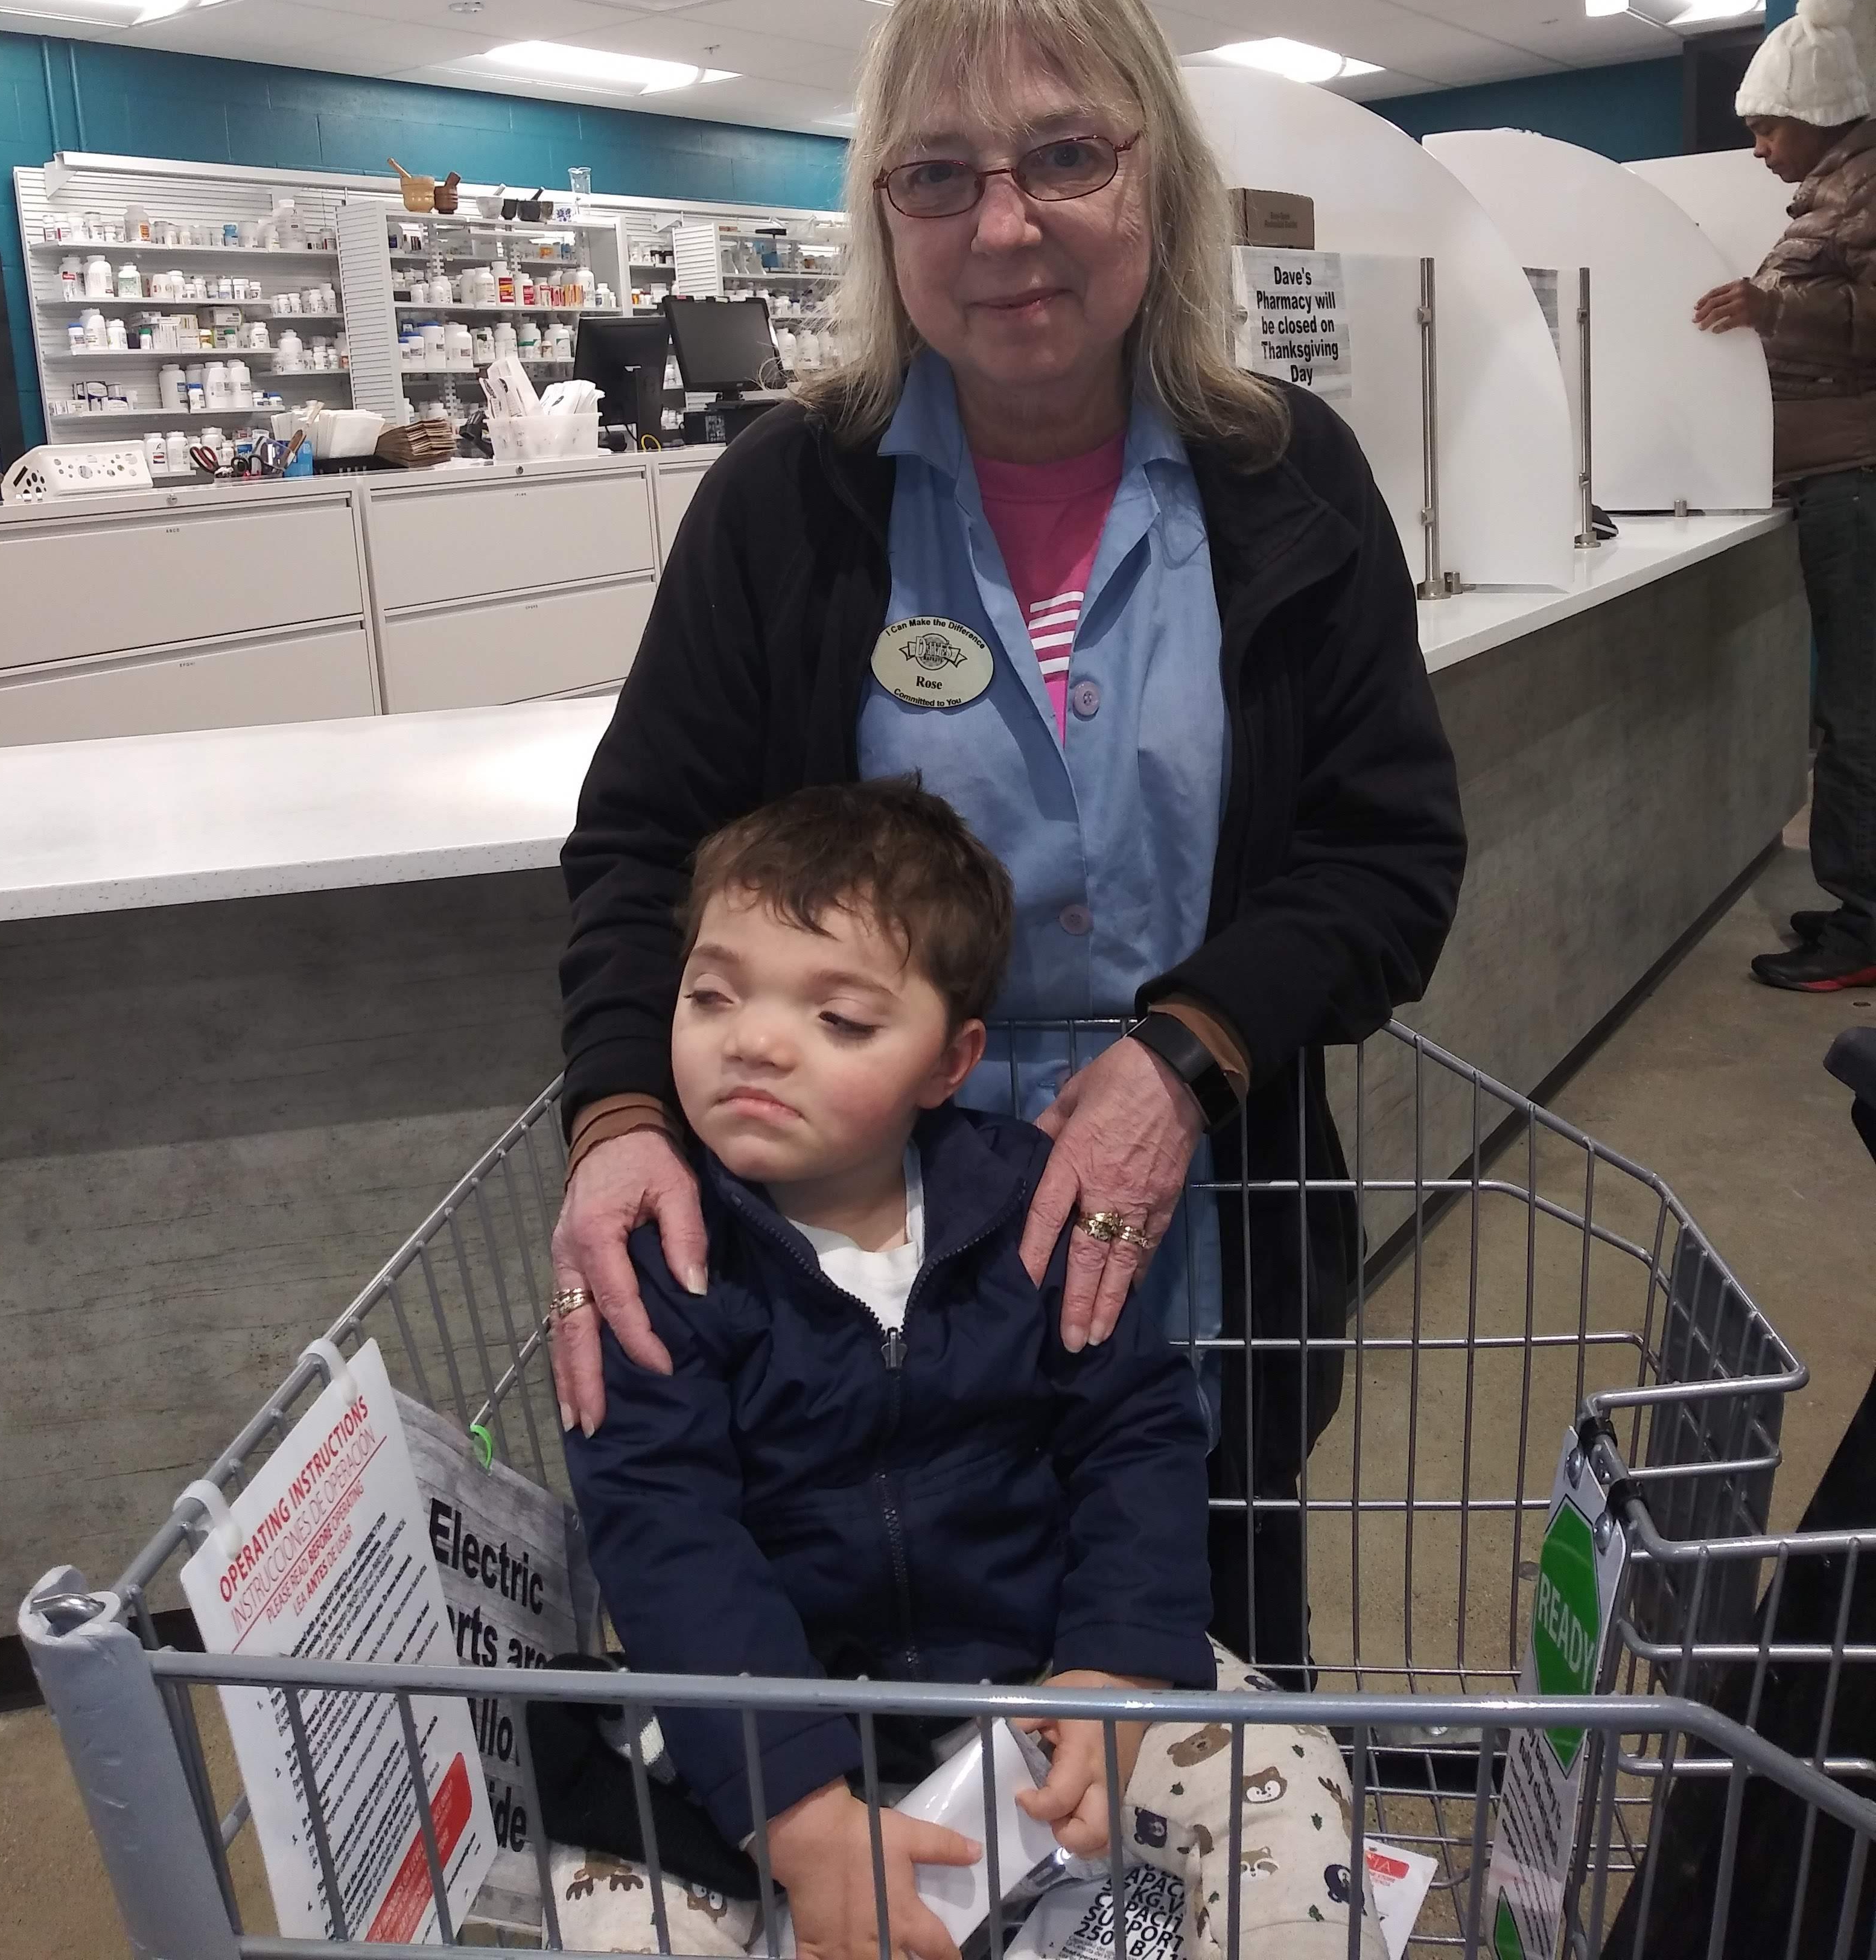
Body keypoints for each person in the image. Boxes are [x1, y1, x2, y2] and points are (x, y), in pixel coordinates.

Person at [553, 0, 1467, 1679]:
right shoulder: (783, 501)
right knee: (893, 1774)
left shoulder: (1290, 479)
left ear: (1157, 181)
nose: (1005, 224)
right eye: (939, 175)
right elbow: (643, 847)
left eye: (1064, 155)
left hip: (1207, 1254)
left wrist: (1185, 1052)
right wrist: (616, 1118)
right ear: (885, 222)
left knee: (1180, 1754)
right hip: (847, 1315)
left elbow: (1389, 857)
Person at [563, 778, 1384, 1960]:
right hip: (764, 1711)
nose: (754, 1036)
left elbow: (1136, 1436)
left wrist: (1115, 1666)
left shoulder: (1028, 1216)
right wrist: (792, 1807)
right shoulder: (663, 1260)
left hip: (1039, 1670)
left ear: (950, 1062)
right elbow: (662, 1536)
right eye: (711, 994)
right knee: (609, 1907)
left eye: (839, 1019)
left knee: (1290, 1772)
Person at [1694, 0, 1876, 991]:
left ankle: (1865, 931)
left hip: (1855, 479)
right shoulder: (1838, 195)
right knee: (1853, 712)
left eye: (1767, 128)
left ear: (1810, 118)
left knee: (1858, 715)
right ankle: (1857, 907)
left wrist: (1771, 313)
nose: (1761, 149)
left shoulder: (1870, 185)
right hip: (1833, 480)